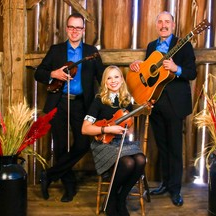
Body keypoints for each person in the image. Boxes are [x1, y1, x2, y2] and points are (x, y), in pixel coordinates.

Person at [34, 12, 105, 202]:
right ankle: (69, 185)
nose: (75, 31)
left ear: (83, 30)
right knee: (60, 146)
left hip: (82, 104)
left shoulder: (92, 52)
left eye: (78, 28)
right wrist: (53, 74)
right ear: (67, 28)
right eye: (71, 27)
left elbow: (103, 78)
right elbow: (39, 73)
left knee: (83, 144)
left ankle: (48, 175)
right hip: (59, 102)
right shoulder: (56, 50)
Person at [129, 11, 197, 207]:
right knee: (163, 148)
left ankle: (175, 190)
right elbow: (149, 72)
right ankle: (166, 184)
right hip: (155, 104)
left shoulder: (183, 45)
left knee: (175, 149)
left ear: (173, 25)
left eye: (167, 22)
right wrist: (137, 66)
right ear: (156, 25)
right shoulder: (152, 46)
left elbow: (192, 72)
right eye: (160, 22)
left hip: (175, 105)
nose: (164, 25)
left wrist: (177, 69)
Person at [81, 65, 147, 216]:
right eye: (109, 78)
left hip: (122, 143)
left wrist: (127, 125)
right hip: (104, 144)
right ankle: (111, 199)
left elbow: (129, 131)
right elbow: (85, 129)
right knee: (128, 162)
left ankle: (120, 198)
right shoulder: (99, 101)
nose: (113, 81)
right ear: (105, 82)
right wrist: (107, 129)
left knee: (141, 160)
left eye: (116, 77)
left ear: (122, 79)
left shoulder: (126, 101)